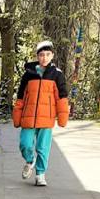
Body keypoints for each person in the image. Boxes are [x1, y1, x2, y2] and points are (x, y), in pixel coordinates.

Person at [12, 40, 69, 186]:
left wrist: (62, 118)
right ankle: (29, 161)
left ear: (52, 56)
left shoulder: (56, 75)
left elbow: (62, 97)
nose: (44, 58)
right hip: (28, 117)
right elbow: (20, 97)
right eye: (41, 55)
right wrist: (17, 116)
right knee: (25, 144)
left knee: (43, 148)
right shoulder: (28, 74)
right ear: (37, 56)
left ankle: (40, 174)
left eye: (47, 54)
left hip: (46, 119)